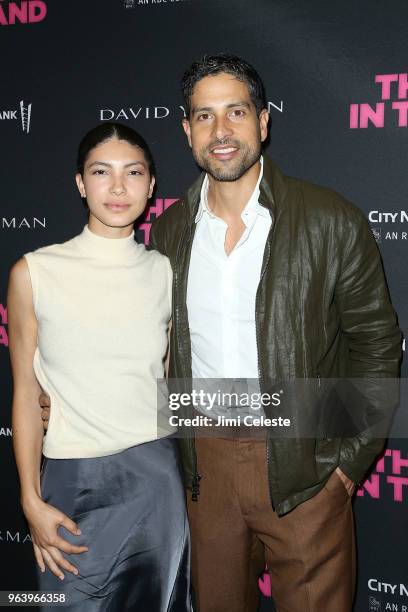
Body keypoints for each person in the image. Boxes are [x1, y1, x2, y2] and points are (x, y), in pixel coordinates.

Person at [40, 55, 401, 612]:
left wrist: (347, 469)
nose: (222, 131)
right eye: (204, 117)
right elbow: (139, 345)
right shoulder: (168, 231)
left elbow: (376, 345)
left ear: (263, 121)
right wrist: (63, 393)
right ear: (187, 132)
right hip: (201, 469)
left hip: (306, 464)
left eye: (236, 111)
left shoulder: (330, 219)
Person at [8, 122, 191, 611]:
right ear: (79, 183)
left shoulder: (164, 273)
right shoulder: (35, 272)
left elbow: (164, 379)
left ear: (151, 186)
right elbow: (26, 394)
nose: (116, 187)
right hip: (75, 483)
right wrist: (30, 500)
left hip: (156, 483)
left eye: (133, 173)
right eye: (100, 172)